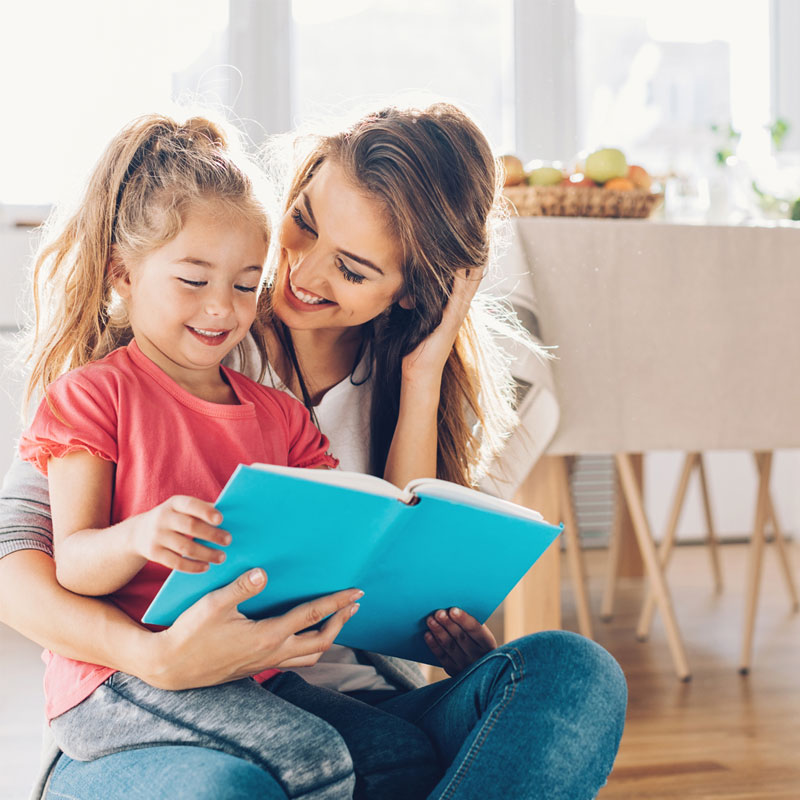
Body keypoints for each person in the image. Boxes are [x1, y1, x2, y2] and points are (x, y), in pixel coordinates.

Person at [0, 102, 627, 800]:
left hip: (333, 698)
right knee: (242, 787)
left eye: (352, 270)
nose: (299, 271)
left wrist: (422, 378)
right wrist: (157, 656)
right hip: (149, 703)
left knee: (573, 674)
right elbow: (21, 560)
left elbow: (380, 578)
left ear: (411, 293)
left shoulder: (327, 398)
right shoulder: (165, 340)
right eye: (303, 221)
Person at [16, 111, 442, 800]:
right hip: (113, 684)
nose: (223, 308)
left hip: (244, 670)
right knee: (313, 758)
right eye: (193, 281)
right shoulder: (93, 395)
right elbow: (73, 563)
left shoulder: (277, 414)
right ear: (122, 274)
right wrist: (140, 536)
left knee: (400, 754)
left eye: (246, 284)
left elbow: (339, 529)